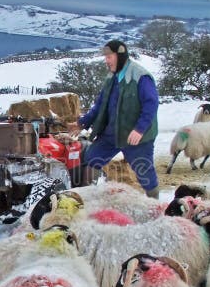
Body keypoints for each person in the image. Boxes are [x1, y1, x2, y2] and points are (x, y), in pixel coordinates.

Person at [68, 40, 160, 198]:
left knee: (145, 172)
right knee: (91, 159)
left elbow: (151, 104)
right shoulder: (112, 78)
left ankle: (156, 205)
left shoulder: (140, 77)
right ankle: (85, 198)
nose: (106, 60)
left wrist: (139, 129)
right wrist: (82, 123)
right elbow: (99, 106)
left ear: (120, 55)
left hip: (135, 136)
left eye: (110, 56)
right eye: (106, 57)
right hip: (112, 134)